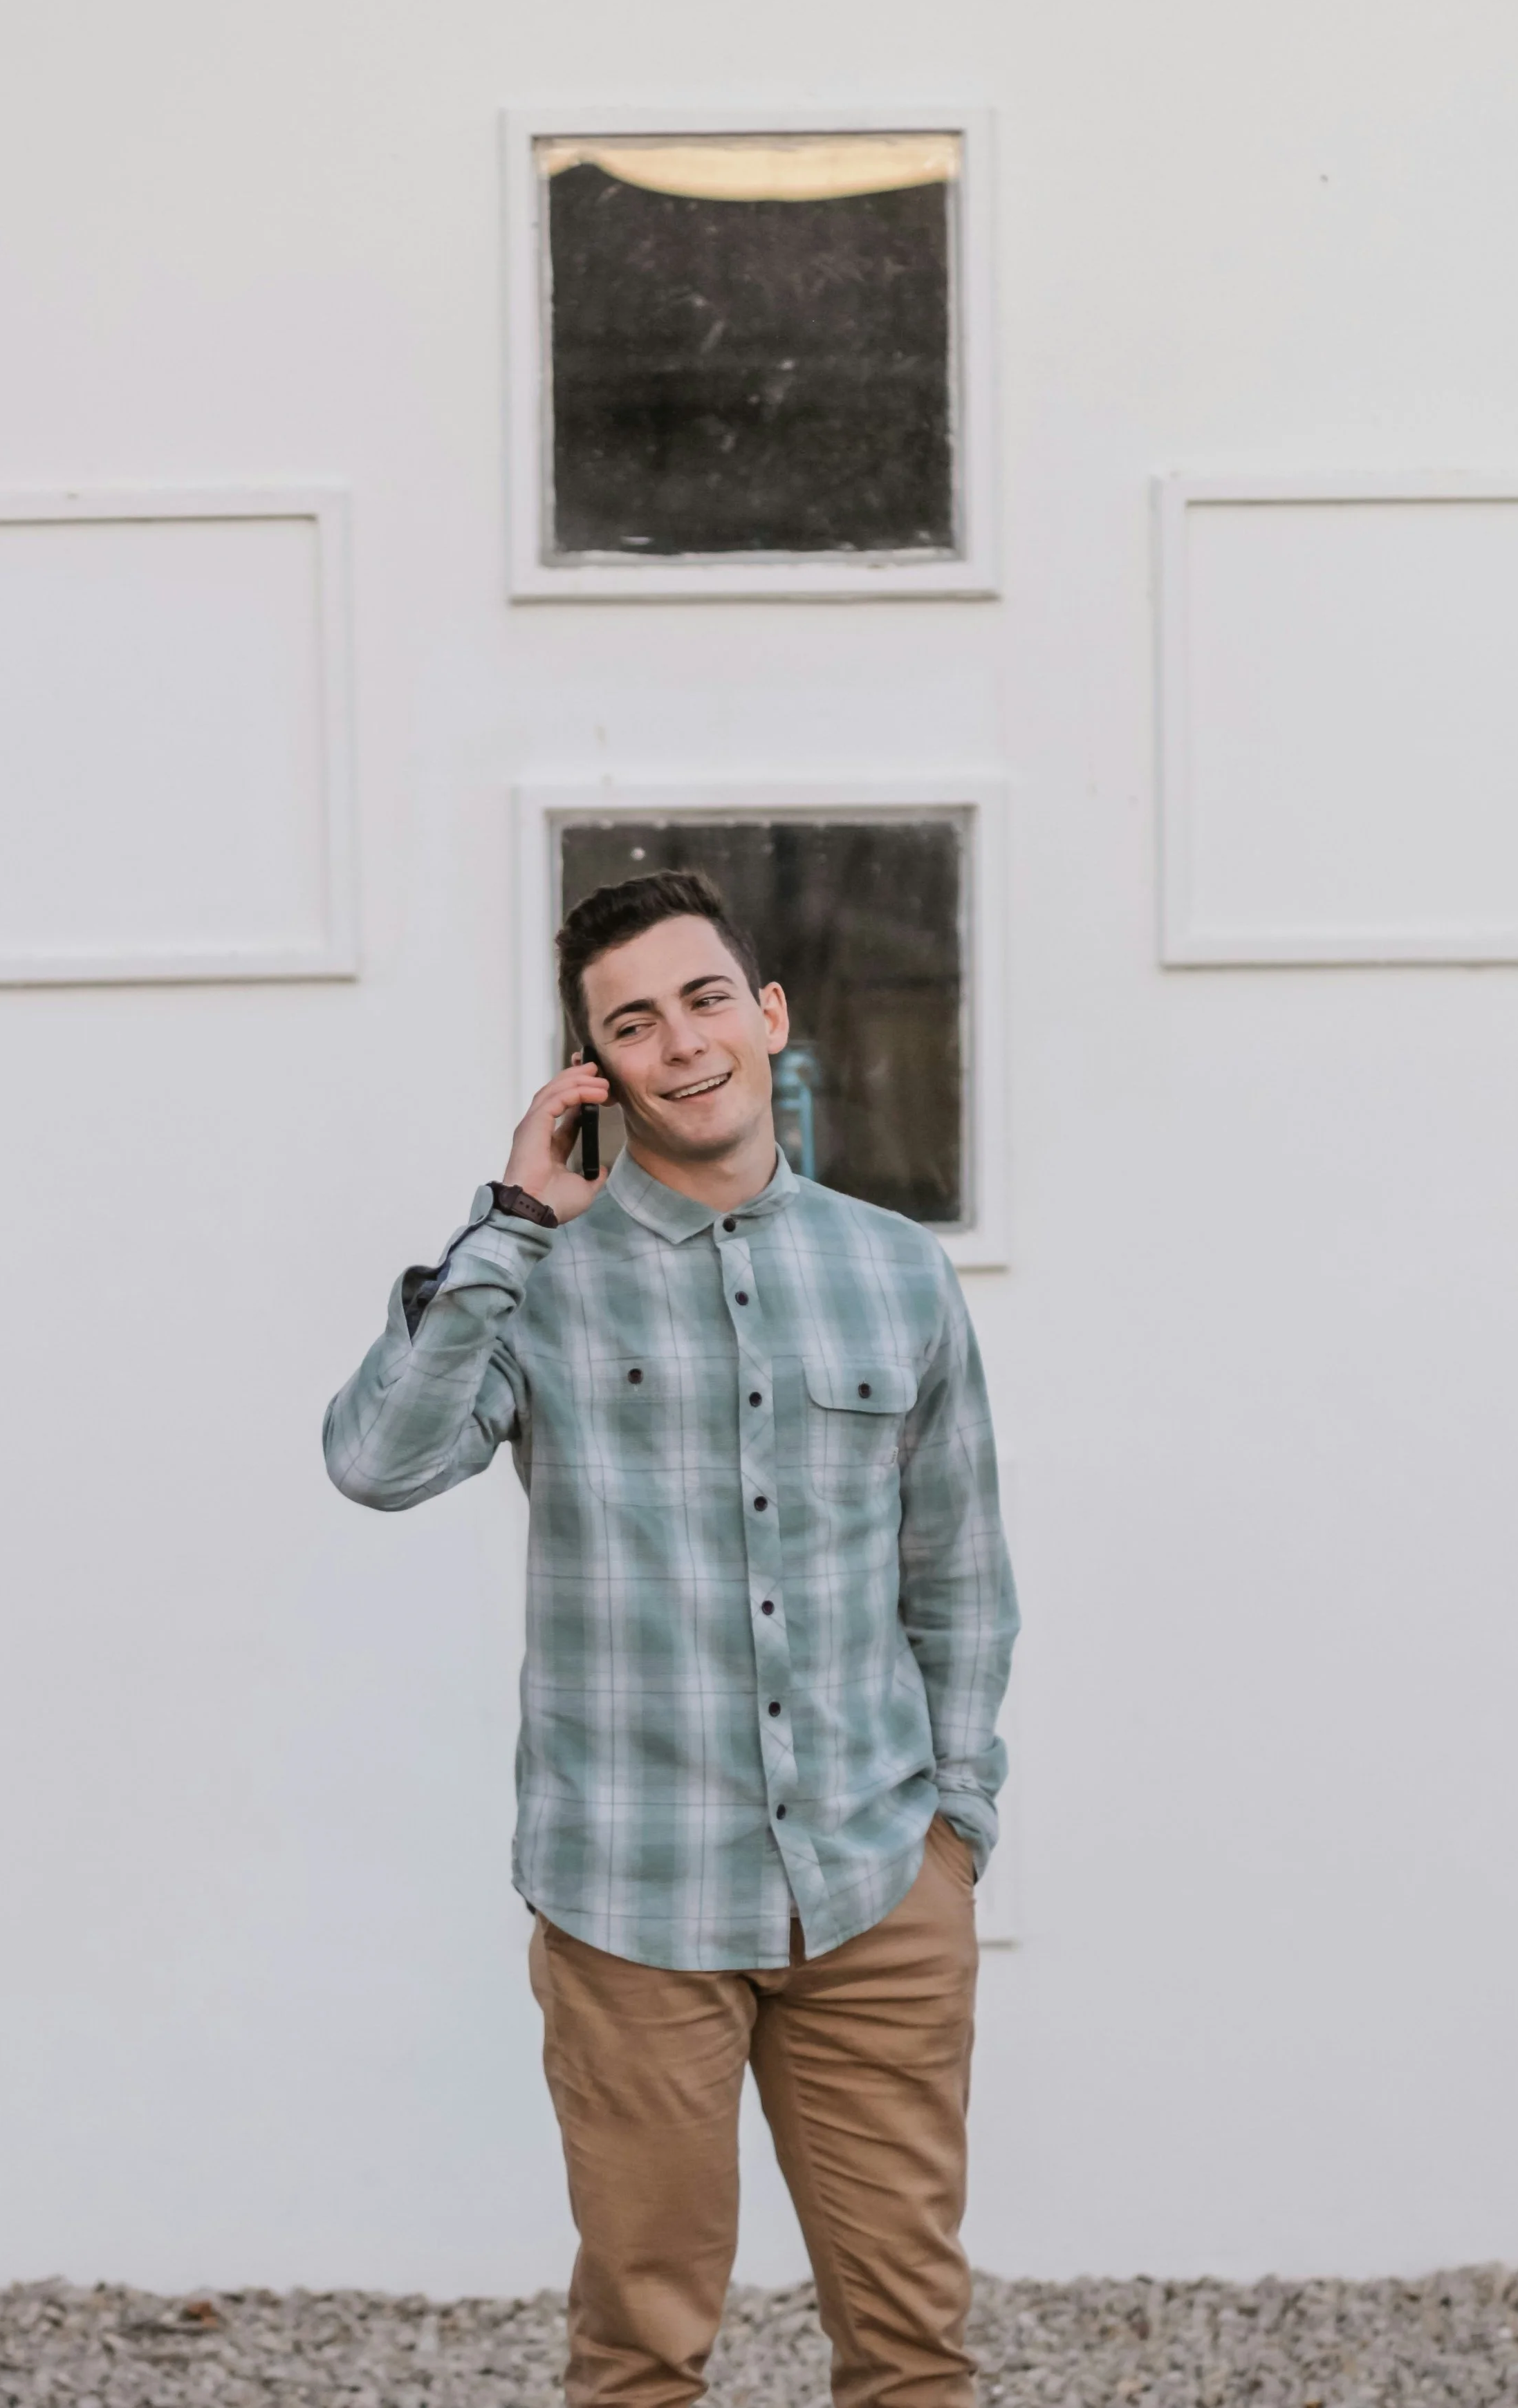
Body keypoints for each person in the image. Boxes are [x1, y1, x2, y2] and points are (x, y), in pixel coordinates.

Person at [323, 868, 1019, 2408]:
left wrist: (951, 1830)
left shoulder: (894, 1269)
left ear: (766, 1016)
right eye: (630, 1023)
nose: (680, 1042)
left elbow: (957, 1567)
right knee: (640, 2350)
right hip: (629, 1906)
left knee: (912, 2346)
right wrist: (506, 1221)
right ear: (595, 1072)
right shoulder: (531, 1273)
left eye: (704, 999)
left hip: (870, 1890)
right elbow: (377, 1464)